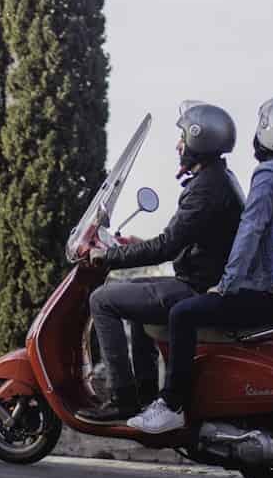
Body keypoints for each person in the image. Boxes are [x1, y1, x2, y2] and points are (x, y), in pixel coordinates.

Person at [128, 96, 273, 434]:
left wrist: (227, 285)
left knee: (183, 314)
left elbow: (251, 231)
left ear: (269, 134)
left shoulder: (268, 175)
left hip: (268, 294)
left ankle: (172, 404)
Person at [77, 101, 245, 422]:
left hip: (196, 289)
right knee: (134, 301)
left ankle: (122, 397)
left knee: (102, 299)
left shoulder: (206, 188)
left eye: (183, 136)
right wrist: (135, 246)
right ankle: (145, 395)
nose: (178, 144)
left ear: (199, 139)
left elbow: (167, 246)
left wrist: (107, 255)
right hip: (202, 281)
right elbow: (187, 240)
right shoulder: (217, 179)